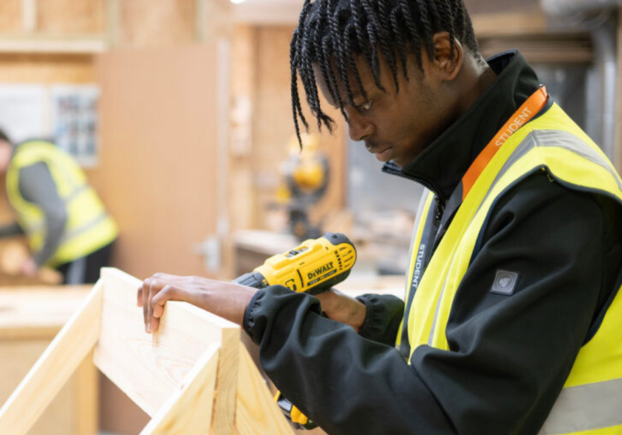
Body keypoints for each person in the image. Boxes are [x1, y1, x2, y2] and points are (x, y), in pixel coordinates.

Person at [136, 1, 622, 434]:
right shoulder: (468, 169)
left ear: (443, 56)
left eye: (365, 103)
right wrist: (370, 323)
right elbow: (472, 343)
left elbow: (450, 416)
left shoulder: (549, 192)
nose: (355, 131)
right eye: (344, 111)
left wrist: (266, 314)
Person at [0, 127, 118, 285]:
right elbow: (34, 223)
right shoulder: (28, 160)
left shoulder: (26, 166)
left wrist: (37, 261)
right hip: (82, 246)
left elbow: (57, 216)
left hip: (85, 246)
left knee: (79, 305)